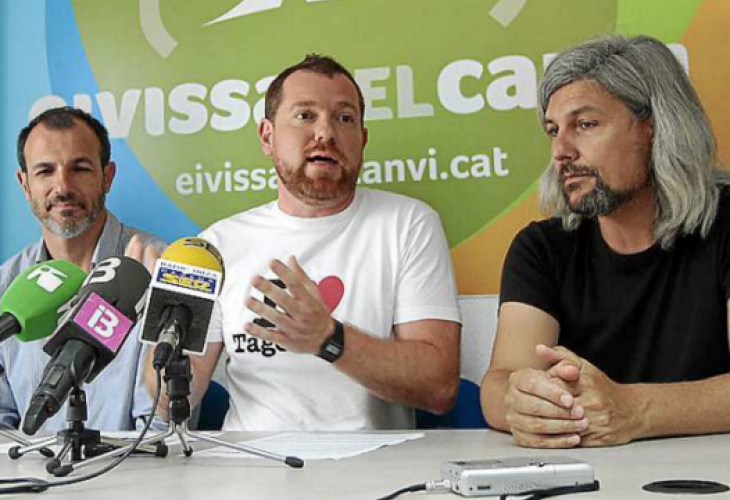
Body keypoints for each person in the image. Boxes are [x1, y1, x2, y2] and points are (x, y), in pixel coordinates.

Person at [176, 54, 461, 430]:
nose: (325, 132)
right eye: (304, 115)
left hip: (372, 462)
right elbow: (170, 403)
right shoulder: (216, 244)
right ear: (267, 136)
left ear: (362, 140)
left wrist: (328, 338)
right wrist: (163, 318)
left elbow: (439, 387)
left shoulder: (408, 224)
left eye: (344, 118)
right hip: (249, 461)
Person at [481, 34, 730, 448]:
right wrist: (522, 405)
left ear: (654, 127)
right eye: (553, 130)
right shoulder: (541, 248)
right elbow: (500, 382)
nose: (560, 151)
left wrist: (635, 410)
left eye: (585, 124)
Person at [0, 106, 164, 431]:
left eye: (79, 168)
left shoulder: (155, 268)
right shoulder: (6, 284)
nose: (62, 186)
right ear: (24, 184)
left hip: (130, 462)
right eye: (45, 171)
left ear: (107, 176)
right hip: (28, 464)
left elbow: (159, 430)